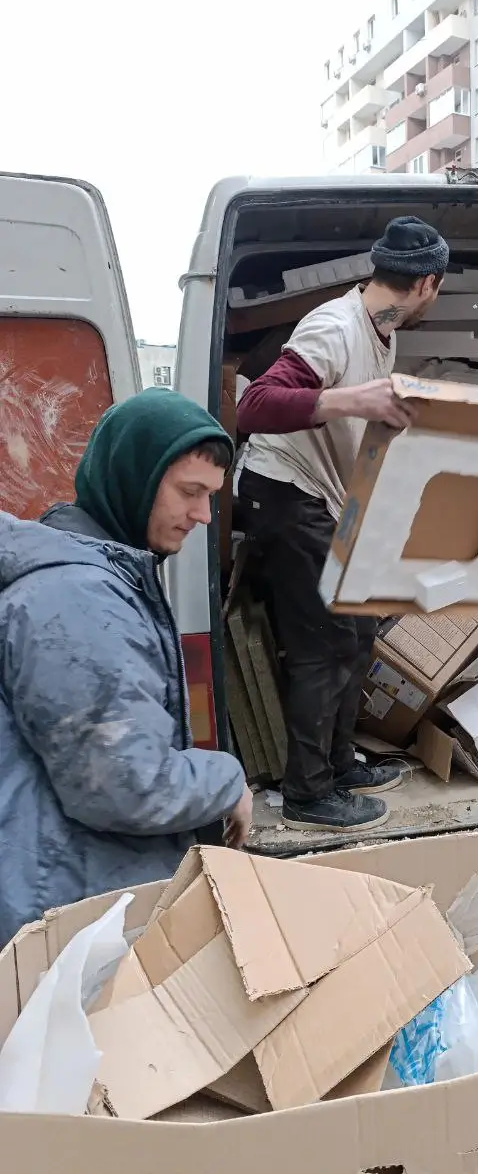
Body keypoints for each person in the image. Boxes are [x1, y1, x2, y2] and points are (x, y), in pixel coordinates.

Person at [0, 388, 252, 947]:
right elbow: (123, 785)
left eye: (210, 497)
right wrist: (228, 782)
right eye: (189, 492)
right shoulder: (77, 598)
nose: (202, 516)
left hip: (77, 889)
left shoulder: (102, 574)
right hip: (65, 912)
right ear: (136, 477)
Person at [236, 215, 449, 834]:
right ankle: (308, 794)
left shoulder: (382, 332)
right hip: (285, 493)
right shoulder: (335, 326)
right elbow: (254, 406)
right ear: (427, 283)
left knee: (356, 632)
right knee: (323, 644)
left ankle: (338, 764)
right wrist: (354, 400)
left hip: (327, 499)